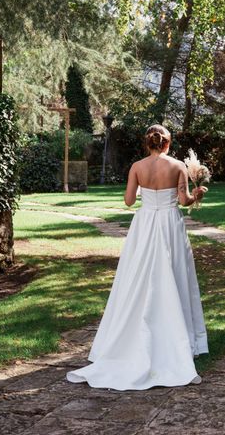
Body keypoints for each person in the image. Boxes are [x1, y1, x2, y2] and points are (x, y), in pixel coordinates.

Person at [66, 124, 208, 390]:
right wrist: (197, 194)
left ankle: (130, 333)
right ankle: (177, 338)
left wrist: (144, 190)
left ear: (148, 143)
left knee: (138, 277)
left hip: (144, 226)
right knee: (174, 274)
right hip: (169, 225)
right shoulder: (178, 166)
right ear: (168, 143)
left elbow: (129, 201)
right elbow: (184, 201)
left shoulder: (136, 167)